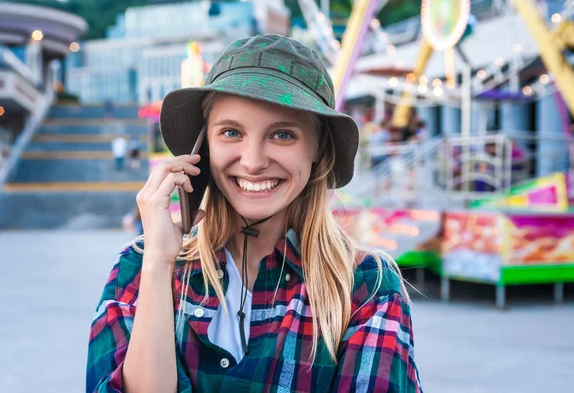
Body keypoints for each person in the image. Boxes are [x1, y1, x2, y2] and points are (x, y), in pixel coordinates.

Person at [86, 35, 422, 393]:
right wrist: (157, 265)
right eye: (231, 132)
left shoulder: (365, 285)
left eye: (282, 135)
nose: (253, 162)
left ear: (318, 148)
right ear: (203, 146)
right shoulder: (138, 266)